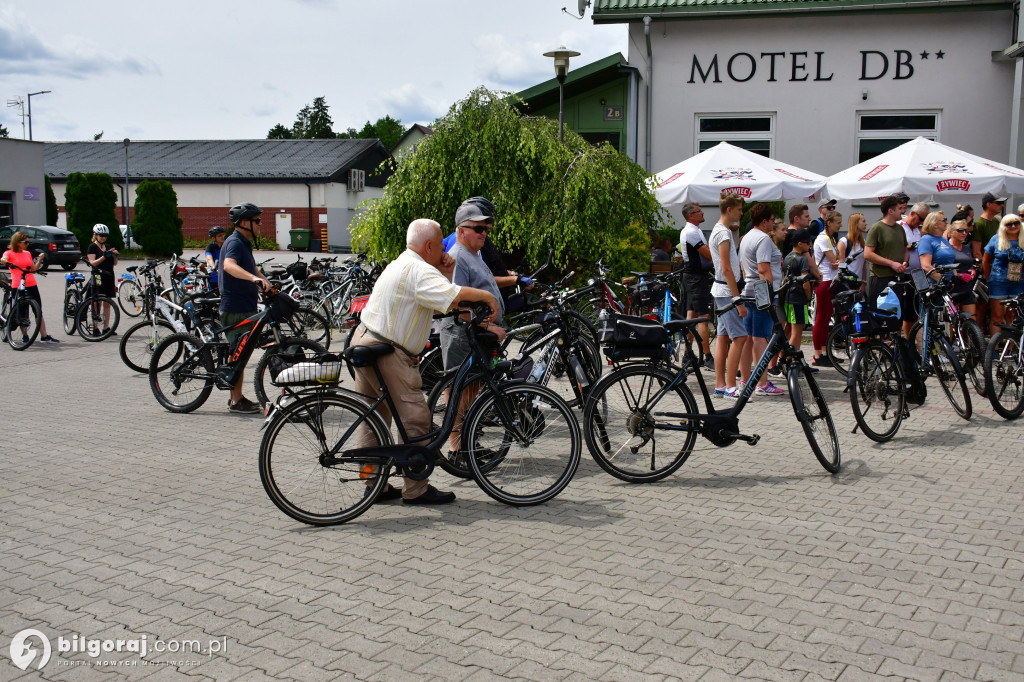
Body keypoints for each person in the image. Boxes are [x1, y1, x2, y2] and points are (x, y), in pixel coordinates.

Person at [352, 218, 498, 505]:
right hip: (388, 351)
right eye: (441, 242)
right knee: (416, 419)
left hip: (364, 339)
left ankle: (373, 484)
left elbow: (434, 297)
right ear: (429, 245)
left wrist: (443, 272)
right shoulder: (418, 269)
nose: (445, 248)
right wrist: (487, 297)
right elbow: (452, 296)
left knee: (373, 417)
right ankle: (416, 490)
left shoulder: (402, 263)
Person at [439, 198, 509, 462]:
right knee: (459, 393)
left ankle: (470, 443)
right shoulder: (458, 256)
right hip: (461, 335)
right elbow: (457, 304)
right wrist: (489, 324)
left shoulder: (472, 255)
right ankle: (457, 449)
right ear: (460, 231)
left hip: (475, 336)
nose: (483, 233)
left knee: (472, 393)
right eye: (477, 228)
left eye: (486, 228)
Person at [218, 202, 272, 414]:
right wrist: (253, 279)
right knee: (237, 352)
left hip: (245, 304)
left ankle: (237, 396)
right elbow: (229, 265)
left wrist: (264, 280)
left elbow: (251, 266)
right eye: (257, 220)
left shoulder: (244, 243)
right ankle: (235, 401)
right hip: (235, 306)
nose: (260, 224)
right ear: (243, 222)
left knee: (242, 353)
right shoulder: (235, 242)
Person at [737, 203, 785, 395]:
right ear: (764, 221)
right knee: (761, 338)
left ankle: (745, 380)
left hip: (748, 291)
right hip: (760, 293)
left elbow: (743, 266)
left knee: (749, 338)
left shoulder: (747, 237)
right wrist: (769, 297)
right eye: (772, 220)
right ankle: (762, 383)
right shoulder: (763, 239)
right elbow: (764, 269)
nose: (773, 224)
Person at [709, 193, 749, 398]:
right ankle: (731, 386)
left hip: (721, 291)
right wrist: (737, 299)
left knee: (724, 337)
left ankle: (721, 384)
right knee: (740, 337)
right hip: (726, 291)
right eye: (740, 209)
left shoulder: (721, 230)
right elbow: (726, 269)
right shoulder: (722, 234)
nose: (742, 213)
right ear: (729, 210)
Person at [865, 195, 912, 337]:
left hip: (898, 278)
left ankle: (894, 348)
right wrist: (891, 263)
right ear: (890, 211)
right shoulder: (877, 228)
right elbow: (868, 254)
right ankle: (879, 347)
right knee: (880, 317)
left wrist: (904, 262)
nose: (902, 212)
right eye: (899, 208)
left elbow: (905, 250)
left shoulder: (900, 228)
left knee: (896, 317)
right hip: (881, 278)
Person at [1, 231, 58, 343]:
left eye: (28, 242)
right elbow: (4, 259)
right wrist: (4, 260)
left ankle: (44, 336)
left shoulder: (27, 253)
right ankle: (25, 336)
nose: (28, 244)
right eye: (25, 242)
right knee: (22, 311)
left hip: (31, 283)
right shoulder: (9, 253)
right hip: (18, 284)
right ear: (17, 242)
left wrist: (40, 260)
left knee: (38, 310)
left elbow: (33, 269)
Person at [679, 203, 714, 370]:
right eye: (699, 211)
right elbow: (707, 253)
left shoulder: (695, 230)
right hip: (695, 277)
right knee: (703, 317)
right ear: (691, 215)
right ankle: (707, 357)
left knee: (691, 317)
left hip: (694, 276)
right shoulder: (691, 232)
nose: (702, 213)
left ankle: (687, 354)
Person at [982, 214, 1024, 336]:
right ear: (1003, 227)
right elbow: (986, 260)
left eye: (1016, 223)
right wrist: (988, 277)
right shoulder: (996, 239)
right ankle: (994, 350)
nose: (1013, 226)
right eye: (1009, 224)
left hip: (1019, 282)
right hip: (999, 281)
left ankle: (1010, 349)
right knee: (997, 316)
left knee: (1013, 315)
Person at [811, 210, 842, 367]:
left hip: (830, 280)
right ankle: (817, 353)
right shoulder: (824, 239)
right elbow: (834, 261)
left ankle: (823, 351)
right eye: (838, 222)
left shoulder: (830, 239)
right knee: (822, 318)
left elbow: (836, 261)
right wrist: (840, 261)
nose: (840, 225)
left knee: (826, 317)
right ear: (829, 223)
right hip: (825, 281)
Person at [781, 229, 815, 371]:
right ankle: (790, 361)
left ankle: (786, 358)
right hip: (798, 299)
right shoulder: (802, 260)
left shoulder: (788, 257)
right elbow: (806, 283)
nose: (810, 246)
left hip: (788, 297)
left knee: (789, 329)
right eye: (808, 243)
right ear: (800, 244)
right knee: (797, 332)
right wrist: (808, 299)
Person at [974, 193, 1005, 330]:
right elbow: (977, 250)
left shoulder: (997, 222)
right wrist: (985, 274)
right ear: (988, 204)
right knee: (982, 305)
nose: (1002, 206)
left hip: (998, 270)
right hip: (985, 269)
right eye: (998, 203)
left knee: (994, 307)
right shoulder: (979, 224)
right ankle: (977, 339)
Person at [85, 223, 119, 334]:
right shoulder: (92, 247)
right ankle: (95, 327)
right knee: (97, 301)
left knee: (108, 302)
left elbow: (115, 263)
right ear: (95, 235)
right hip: (98, 276)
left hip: (109, 275)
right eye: (101, 235)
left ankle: (106, 327)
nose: (103, 237)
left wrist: (114, 255)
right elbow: (93, 263)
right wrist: (104, 256)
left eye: (105, 235)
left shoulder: (107, 246)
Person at [945, 218, 977, 319]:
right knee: (952, 319)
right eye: (960, 230)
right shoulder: (946, 247)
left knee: (972, 318)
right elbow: (945, 265)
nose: (964, 233)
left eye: (966, 231)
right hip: (952, 287)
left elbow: (969, 264)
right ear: (951, 232)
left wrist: (972, 271)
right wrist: (959, 275)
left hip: (966, 287)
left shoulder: (967, 248)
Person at [837, 213, 867, 287]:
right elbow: (841, 265)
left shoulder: (863, 242)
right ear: (856, 224)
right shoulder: (844, 242)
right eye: (863, 221)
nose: (866, 224)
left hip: (859, 282)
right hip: (847, 282)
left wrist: (863, 282)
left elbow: (864, 264)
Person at [900, 201, 929, 270]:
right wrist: (907, 246)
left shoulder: (917, 229)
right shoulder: (899, 226)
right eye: (921, 219)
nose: (921, 222)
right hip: (903, 272)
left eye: (924, 220)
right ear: (913, 213)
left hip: (917, 273)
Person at [205, 226, 226, 294]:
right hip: (214, 276)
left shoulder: (226, 246)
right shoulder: (211, 247)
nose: (222, 237)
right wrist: (214, 267)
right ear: (213, 238)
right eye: (220, 235)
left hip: (225, 275)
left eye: (223, 235)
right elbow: (209, 258)